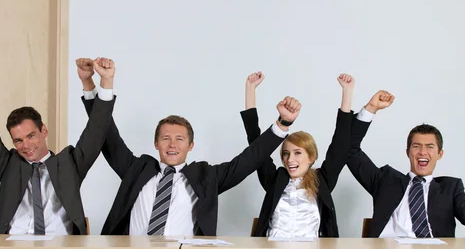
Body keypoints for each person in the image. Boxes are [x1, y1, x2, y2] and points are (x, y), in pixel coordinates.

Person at [75, 58, 301, 236]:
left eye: (180, 139)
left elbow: (249, 159)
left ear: (191, 145)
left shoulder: (206, 177)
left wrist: (283, 124)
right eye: (165, 139)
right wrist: (94, 85)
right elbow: (107, 136)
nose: (172, 144)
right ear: (156, 144)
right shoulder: (137, 169)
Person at [0, 57, 116, 235]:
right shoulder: (8, 165)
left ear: (43, 131)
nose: (26, 146)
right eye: (18, 140)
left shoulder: (70, 164)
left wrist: (106, 81)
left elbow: (96, 131)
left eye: (31, 136)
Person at [348, 90, 465, 239]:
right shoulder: (385, 180)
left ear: (439, 154)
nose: (422, 152)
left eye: (430, 147)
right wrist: (371, 108)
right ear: (408, 152)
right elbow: (350, 150)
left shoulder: (451, 188)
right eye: (416, 146)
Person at [240, 71, 355, 238]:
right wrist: (250, 89)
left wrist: (347, 91)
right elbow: (255, 142)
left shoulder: (321, 181)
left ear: (311, 157)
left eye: (297, 153)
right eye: (285, 153)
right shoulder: (275, 180)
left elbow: (340, 147)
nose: (290, 159)